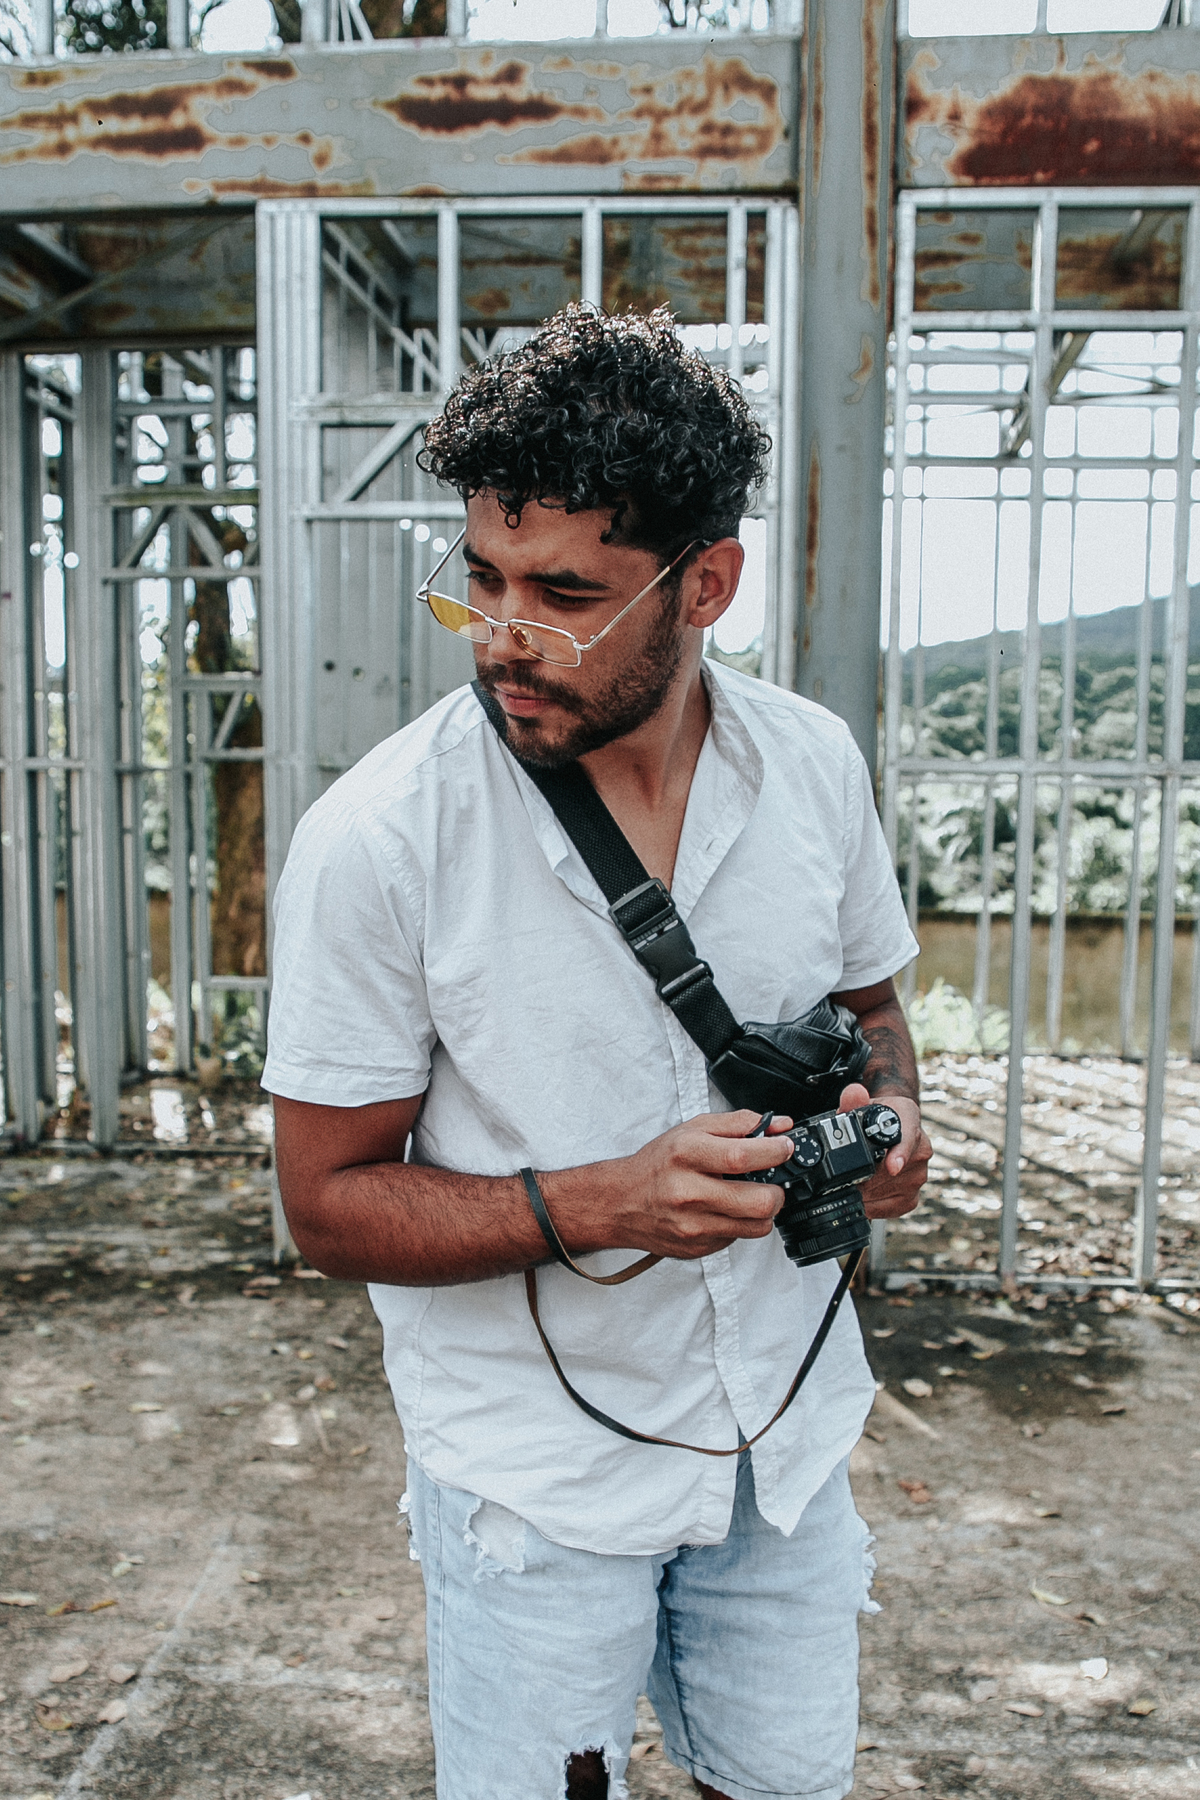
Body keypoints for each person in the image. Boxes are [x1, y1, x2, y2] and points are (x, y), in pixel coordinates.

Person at [264, 304, 930, 1800]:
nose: (505, 639)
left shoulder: (812, 765)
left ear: (708, 584)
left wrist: (890, 1121)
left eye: (565, 594)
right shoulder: (380, 840)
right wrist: (601, 1204)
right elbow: (325, 1202)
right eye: (479, 583)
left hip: (783, 1442)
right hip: (535, 1483)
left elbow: (875, 1012)